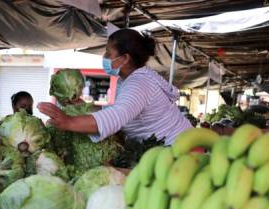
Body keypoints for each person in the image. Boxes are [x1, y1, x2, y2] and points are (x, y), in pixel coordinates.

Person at [38, 29, 192, 145]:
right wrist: (83, 107)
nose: (104, 57)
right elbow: (114, 111)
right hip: (171, 145)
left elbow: (115, 117)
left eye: (108, 53)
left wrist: (69, 122)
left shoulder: (139, 85)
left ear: (124, 58)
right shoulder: (127, 80)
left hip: (180, 150)